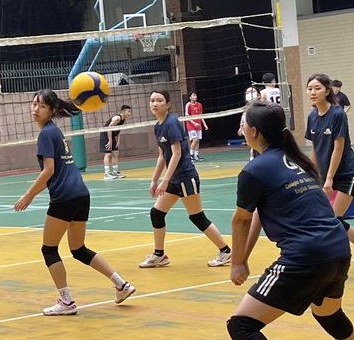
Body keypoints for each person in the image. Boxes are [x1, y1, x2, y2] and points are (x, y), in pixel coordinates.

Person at [227, 100, 354, 340]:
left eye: (242, 124)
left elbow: (240, 220)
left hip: (304, 256)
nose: (240, 129)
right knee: (328, 311)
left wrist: (236, 263)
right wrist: (243, 258)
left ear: (254, 131)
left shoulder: (254, 170)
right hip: (337, 248)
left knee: (242, 325)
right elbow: (257, 215)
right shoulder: (298, 161)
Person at [13, 90, 136, 315]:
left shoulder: (46, 134)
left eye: (41, 106)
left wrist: (28, 195)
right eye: (34, 104)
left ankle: (66, 302)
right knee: (78, 249)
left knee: (49, 249)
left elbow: (48, 171)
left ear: (51, 110)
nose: (35, 109)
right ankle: (121, 284)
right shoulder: (54, 131)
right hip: (80, 194)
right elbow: (54, 171)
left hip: (65, 197)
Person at [142, 90, 232, 268]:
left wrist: (165, 180)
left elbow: (176, 154)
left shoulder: (171, 123)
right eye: (152, 100)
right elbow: (162, 155)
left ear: (168, 104)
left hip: (185, 177)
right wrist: (154, 180)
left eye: (159, 100)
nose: (155, 104)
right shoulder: (158, 126)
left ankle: (226, 251)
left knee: (197, 217)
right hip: (174, 179)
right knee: (156, 213)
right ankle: (159, 255)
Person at [304, 74, 354, 273]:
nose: (313, 92)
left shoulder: (337, 114)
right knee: (325, 219)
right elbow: (315, 149)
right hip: (325, 175)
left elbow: (338, 148)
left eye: (317, 88)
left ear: (327, 91)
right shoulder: (312, 117)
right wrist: (313, 175)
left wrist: (329, 178)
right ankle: (345, 255)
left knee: (332, 219)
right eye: (310, 88)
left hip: (346, 174)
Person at [99, 104, 133, 179]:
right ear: (123, 111)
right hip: (105, 134)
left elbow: (118, 130)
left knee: (115, 153)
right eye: (128, 111)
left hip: (112, 135)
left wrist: (118, 141)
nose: (130, 113)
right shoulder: (117, 118)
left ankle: (115, 172)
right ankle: (107, 174)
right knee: (108, 154)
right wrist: (110, 140)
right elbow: (109, 128)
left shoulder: (123, 119)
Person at [184, 92, 207, 162]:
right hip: (191, 125)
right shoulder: (188, 105)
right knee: (195, 139)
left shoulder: (199, 104)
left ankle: (196, 155)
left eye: (196, 95)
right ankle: (191, 155)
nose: (195, 96)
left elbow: (201, 115)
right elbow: (187, 116)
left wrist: (205, 124)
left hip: (198, 125)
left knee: (198, 140)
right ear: (190, 97)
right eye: (193, 95)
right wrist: (194, 123)